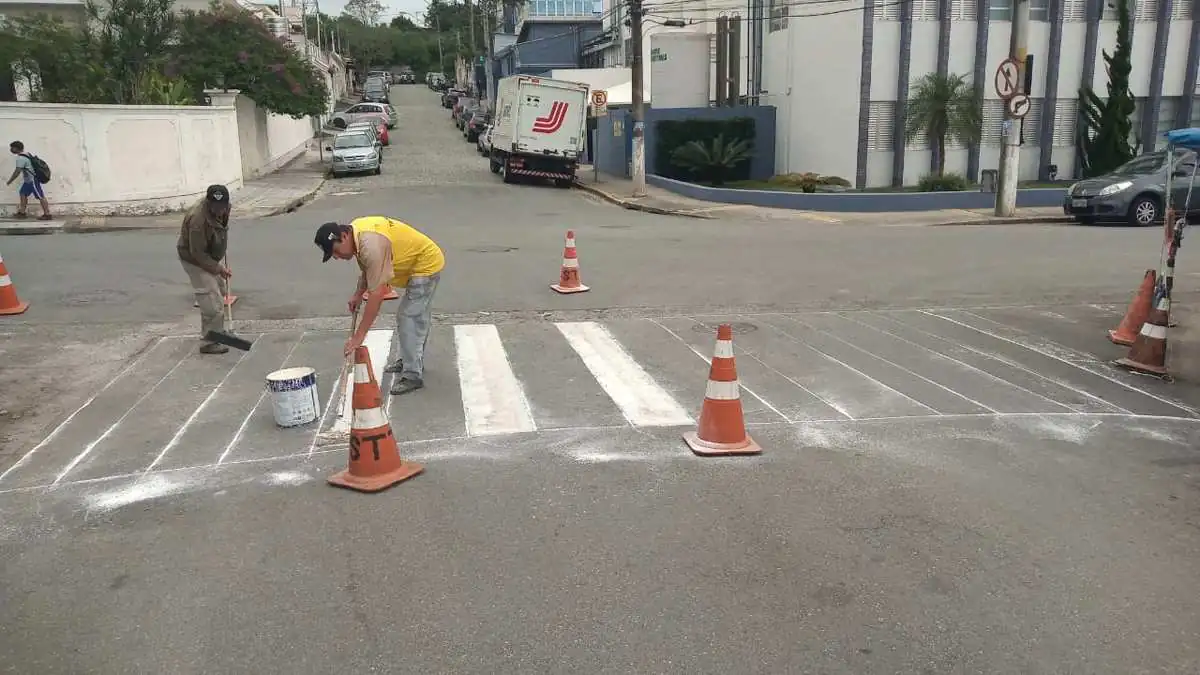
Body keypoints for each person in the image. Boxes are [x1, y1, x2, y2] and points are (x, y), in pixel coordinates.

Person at [315, 217, 444, 396]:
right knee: (414, 316)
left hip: (425, 265)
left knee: (409, 317)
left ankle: (412, 374)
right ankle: (410, 359)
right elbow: (367, 270)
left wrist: (358, 337)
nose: (337, 257)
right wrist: (358, 294)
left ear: (344, 236)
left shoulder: (371, 245)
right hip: (414, 264)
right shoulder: (357, 234)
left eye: (335, 251)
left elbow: (377, 295)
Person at [178, 185, 232, 355]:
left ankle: (215, 331)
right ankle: (209, 342)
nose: (219, 211)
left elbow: (219, 228)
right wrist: (218, 268)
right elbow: (197, 253)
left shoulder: (225, 207)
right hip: (194, 260)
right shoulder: (197, 220)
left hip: (209, 256)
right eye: (215, 207)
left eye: (222, 207)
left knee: (221, 290)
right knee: (213, 303)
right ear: (208, 203)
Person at [6, 141, 52, 221]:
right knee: (23, 193)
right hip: (28, 181)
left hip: (32, 180)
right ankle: (22, 213)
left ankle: (47, 214)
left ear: (16, 148)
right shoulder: (26, 154)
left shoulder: (21, 158)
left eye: (12, 148)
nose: (11, 149)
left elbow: (17, 171)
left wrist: (10, 181)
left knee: (40, 196)